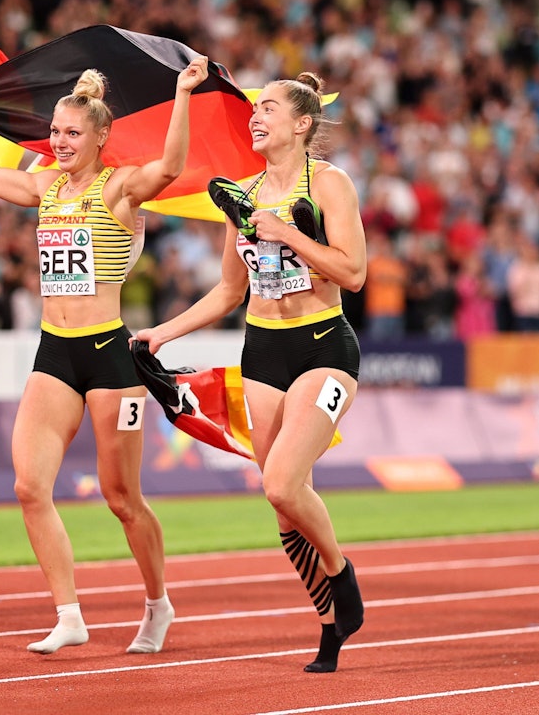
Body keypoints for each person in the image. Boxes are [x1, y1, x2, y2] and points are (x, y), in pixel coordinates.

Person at [0, 55, 209, 654]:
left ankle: (158, 602)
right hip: (55, 352)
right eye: (54, 132)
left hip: (109, 357)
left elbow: (174, 165)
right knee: (30, 486)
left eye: (72, 133)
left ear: (102, 136)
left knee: (121, 498)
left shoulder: (120, 185)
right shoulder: (43, 185)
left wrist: (184, 93)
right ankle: (69, 614)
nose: (59, 142)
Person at [133, 72, 367, 673]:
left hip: (323, 346)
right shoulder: (240, 192)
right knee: (285, 509)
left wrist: (289, 233)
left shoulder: (331, 184)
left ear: (301, 123)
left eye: (267, 108)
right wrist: (163, 332)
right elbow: (227, 292)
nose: (255, 117)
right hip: (262, 351)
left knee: (283, 483)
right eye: (253, 109)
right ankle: (327, 629)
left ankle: (342, 579)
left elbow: (354, 272)